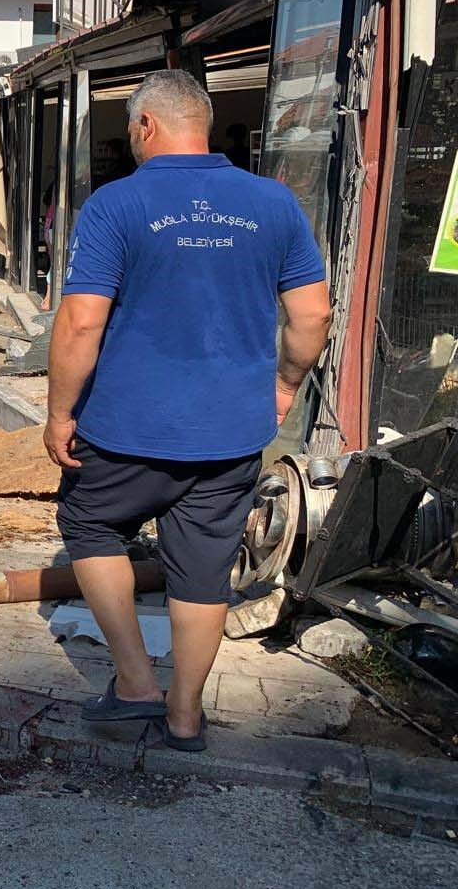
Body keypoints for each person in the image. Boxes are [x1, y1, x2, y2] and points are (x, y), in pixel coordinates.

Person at [43, 69, 331, 753]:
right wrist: (286, 384)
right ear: (201, 121)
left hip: (123, 428)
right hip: (230, 432)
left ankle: (137, 682)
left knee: (87, 522)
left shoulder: (117, 205)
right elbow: (312, 313)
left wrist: (59, 413)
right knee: (202, 571)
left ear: (146, 126)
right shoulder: (274, 203)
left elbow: (82, 323)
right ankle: (184, 716)